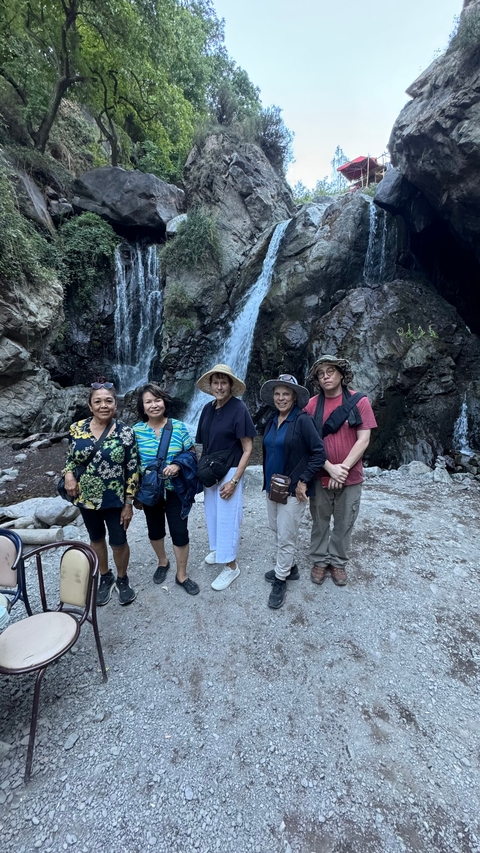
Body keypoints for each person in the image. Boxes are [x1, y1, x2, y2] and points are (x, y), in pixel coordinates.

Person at [63, 381, 139, 606]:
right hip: (85, 498)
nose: (103, 405)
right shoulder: (76, 428)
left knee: (119, 541)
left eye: (108, 400)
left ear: (115, 404)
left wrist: (128, 504)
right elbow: (70, 458)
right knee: (96, 539)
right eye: (98, 401)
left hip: (115, 499)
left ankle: (123, 579)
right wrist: (68, 474)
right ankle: (105, 576)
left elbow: (133, 469)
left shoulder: (126, 432)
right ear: (90, 405)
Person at [304, 355, 378, 586]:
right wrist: (329, 468)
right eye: (321, 373)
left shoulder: (359, 401)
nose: (325, 376)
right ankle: (319, 559)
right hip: (320, 473)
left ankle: (337, 562)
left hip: (350, 476)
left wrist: (342, 470)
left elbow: (364, 439)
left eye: (330, 371)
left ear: (341, 374)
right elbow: (307, 441)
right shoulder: (312, 405)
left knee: (345, 521)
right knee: (320, 520)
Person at [260, 374, 327, 609]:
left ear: (294, 397)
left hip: (292, 490)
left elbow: (319, 452)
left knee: (286, 536)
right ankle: (291, 567)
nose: (281, 398)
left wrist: (303, 481)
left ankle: (280, 580)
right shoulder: (271, 420)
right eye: (277, 394)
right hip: (272, 487)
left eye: (286, 394)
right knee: (275, 528)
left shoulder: (302, 421)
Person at [133, 384, 200, 596]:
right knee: (155, 530)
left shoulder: (179, 427)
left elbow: (191, 452)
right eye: (148, 402)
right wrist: (133, 495)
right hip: (149, 491)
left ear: (165, 402)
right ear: (143, 407)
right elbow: (131, 464)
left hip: (175, 489)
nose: (154, 405)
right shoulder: (135, 432)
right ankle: (163, 562)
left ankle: (182, 574)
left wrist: (178, 465)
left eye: (157, 400)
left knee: (180, 532)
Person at [195, 364, 256, 591]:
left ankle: (231, 566)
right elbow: (203, 443)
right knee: (212, 513)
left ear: (231, 385)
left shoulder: (239, 409)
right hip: (211, 469)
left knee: (228, 516)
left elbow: (248, 448)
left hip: (230, 469)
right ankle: (218, 549)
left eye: (223, 382)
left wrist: (234, 481)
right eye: (216, 383)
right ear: (210, 386)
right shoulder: (207, 409)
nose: (219, 387)